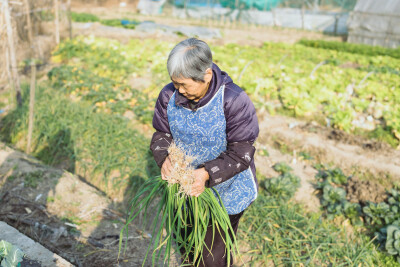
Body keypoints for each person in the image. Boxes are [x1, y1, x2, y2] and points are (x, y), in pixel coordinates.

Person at [150, 37, 259, 267]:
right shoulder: (169, 96)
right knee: (187, 246)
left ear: (207, 75)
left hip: (226, 192)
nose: (178, 90)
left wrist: (206, 174)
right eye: (175, 83)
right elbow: (161, 134)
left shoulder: (233, 100)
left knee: (212, 259)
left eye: (184, 85)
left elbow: (242, 152)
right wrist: (164, 158)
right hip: (184, 188)